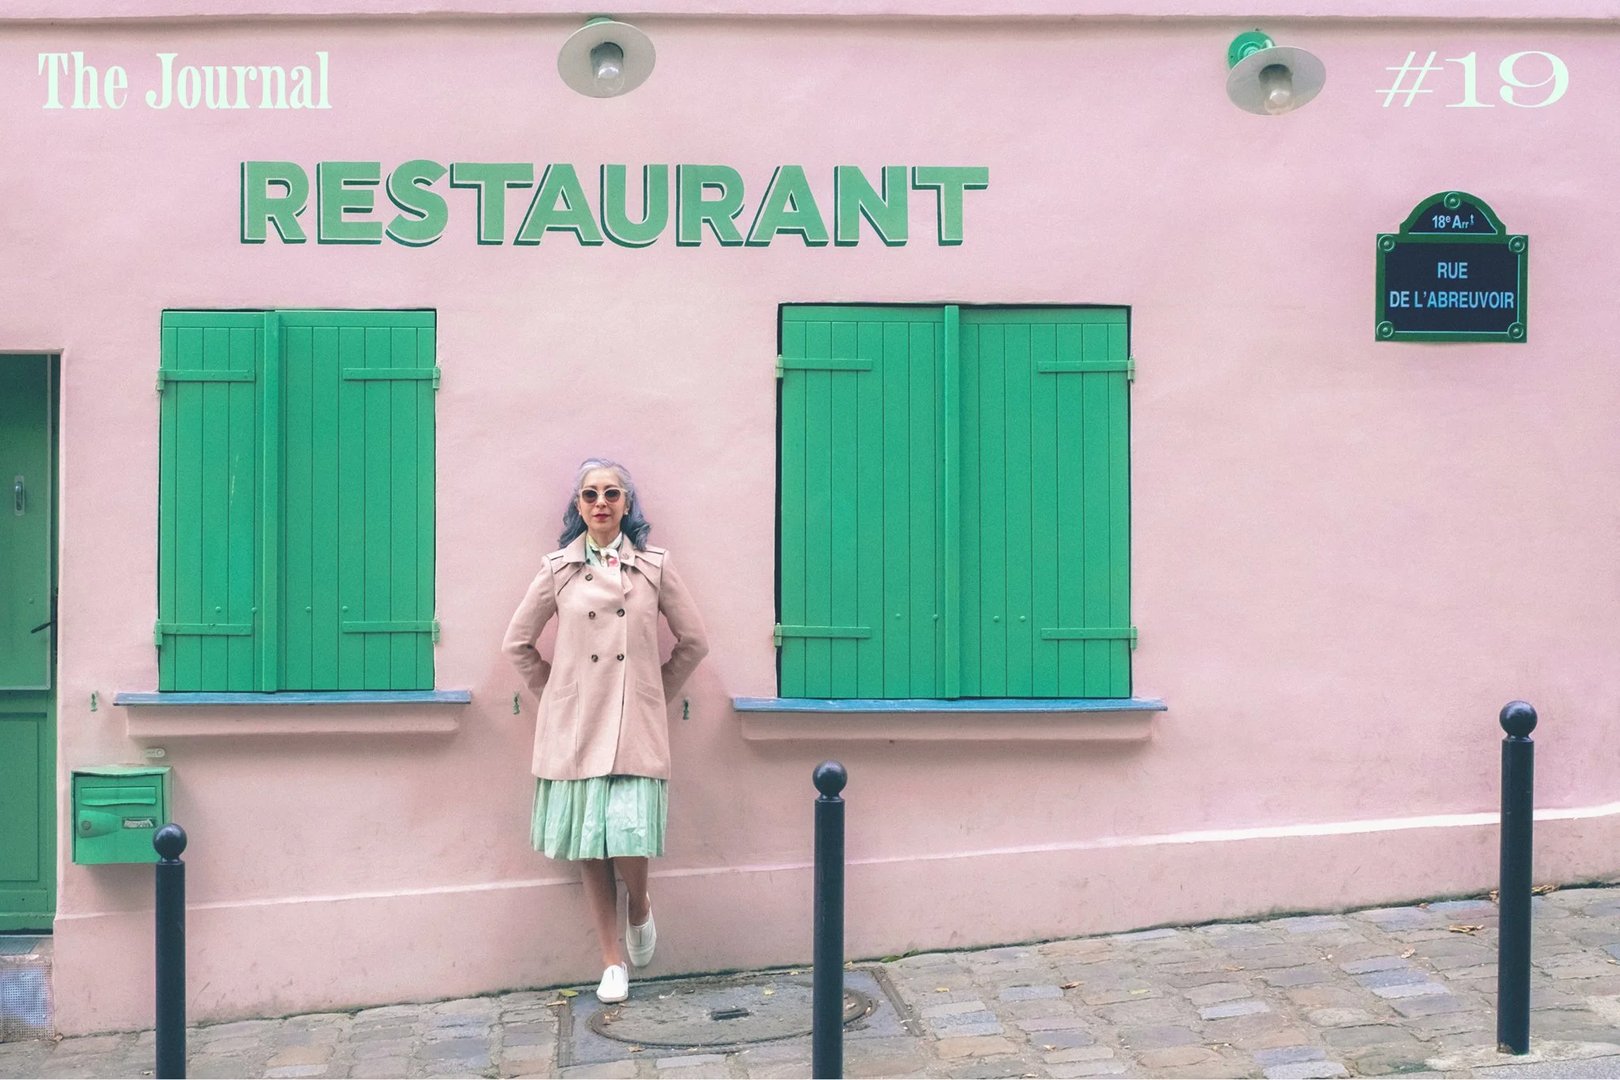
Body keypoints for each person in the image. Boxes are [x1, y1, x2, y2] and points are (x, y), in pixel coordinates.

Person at [503, 458, 709, 1004]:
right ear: (577, 506)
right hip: (576, 723)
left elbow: (694, 643)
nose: (601, 502)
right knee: (590, 842)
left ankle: (639, 904)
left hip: (633, 721)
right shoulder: (557, 571)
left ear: (626, 504)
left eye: (612, 494)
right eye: (591, 494)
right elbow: (517, 644)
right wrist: (555, 694)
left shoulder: (654, 567)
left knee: (629, 832)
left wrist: (651, 692)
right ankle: (611, 960)